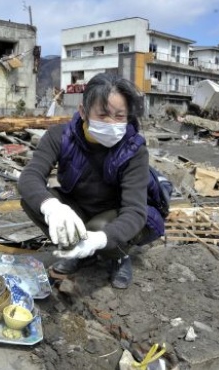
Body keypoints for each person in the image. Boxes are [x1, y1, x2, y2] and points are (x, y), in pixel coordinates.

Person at [18, 72, 154, 289]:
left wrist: (99, 239)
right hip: (79, 207)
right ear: (83, 111)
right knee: (34, 200)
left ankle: (118, 257)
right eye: (103, 115)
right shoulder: (60, 136)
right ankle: (78, 251)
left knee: (98, 227)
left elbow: (135, 212)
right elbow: (30, 176)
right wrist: (52, 207)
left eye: (120, 116)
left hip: (113, 215)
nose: (112, 123)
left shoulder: (134, 151)